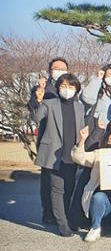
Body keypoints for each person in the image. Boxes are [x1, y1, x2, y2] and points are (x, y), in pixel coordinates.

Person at [31, 73, 85, 236]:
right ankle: (62, 224)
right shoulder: (49, 103)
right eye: (63, 86)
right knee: (57, 190)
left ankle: (67, 218)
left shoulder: (79, 107)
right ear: (58, 88)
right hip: (53, 154)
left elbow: (80, 129)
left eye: (70, 87)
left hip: (72, 154)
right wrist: (37, 101)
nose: (66, 90)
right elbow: (36, 117)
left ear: (76, 89)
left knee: (69, 189)